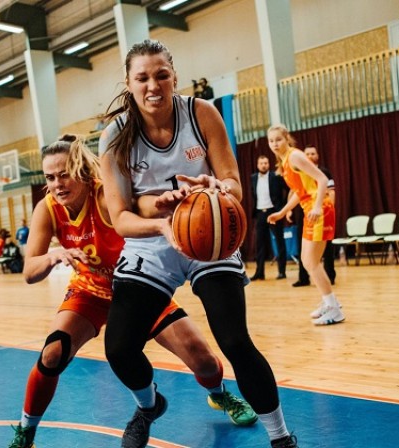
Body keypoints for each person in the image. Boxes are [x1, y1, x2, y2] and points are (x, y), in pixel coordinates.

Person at [99, 40, 297, 448]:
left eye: (161, 75)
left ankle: (281, 438)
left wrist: (215, 188)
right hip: (154, 241)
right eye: (142, 77)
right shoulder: (115, 136)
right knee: (119, 348)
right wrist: (161, 222)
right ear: (128, 82)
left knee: (235, 341)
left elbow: (234, 184)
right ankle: (149, 405)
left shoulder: (201, 113)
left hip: (210, 236)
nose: (153, 85)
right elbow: (121, 218)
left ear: (174, 74)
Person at [8, 136, 257, 448]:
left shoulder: (105, 197)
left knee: (204, 360)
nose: (57, 184)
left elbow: (141, 212)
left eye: (64, 174)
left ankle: (219, 395)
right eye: (50, 178)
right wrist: (52, 256)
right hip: (90, 292)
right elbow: (30, 271)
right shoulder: (47, 209)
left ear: (81, 171)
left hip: (137, 285)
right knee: (52, 353)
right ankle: (25, 432)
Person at [266, 125, 344, 327]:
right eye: (271, 141)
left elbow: (322, 179)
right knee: (307, 260)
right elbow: (300, 192)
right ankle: (330, 302)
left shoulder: (294, 156)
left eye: (278, 139)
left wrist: (317, 206)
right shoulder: (284, 162)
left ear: (286, 139)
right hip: (310, 209)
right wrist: (283, 212)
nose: (275, 144)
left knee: (311, 261)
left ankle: (334, 309)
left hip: (320, 210)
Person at [291, 146, 336, 285]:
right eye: (307, 154)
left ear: (317, 155)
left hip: (321, 211)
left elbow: (331, 191)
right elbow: (295, 192)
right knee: (303, 248)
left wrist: (329, 208)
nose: (310, 155)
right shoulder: (298, 170)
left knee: (326, 247)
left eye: (312, 153)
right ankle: (303, 278)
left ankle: (330, 276)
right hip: (305, 212)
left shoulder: (324, 172)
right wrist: (287, 210)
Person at [250, 155, 287, 280]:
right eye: (261, 163)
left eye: (266, 163)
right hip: (260, 213)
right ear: (257, 165)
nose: (264, 165)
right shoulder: (253, 178)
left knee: (279, 242)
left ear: (268, 164)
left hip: (274, 212)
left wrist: (283, 208)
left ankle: (282, 271)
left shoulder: (276, 176)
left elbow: (287, 190)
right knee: (260, 244)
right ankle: (259, 272)